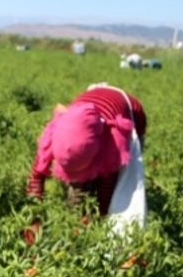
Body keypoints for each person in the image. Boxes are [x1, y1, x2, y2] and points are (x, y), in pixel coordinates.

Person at [26, 84, 147, 217]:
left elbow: (106, 191)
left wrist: (101, 216)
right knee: (78, 190)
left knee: (124, 180)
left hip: (132, 114)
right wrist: (34, 213)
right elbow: (36, 176)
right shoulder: (55, 136)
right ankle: (75, 211)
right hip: (89, 109)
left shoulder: (112, 143)